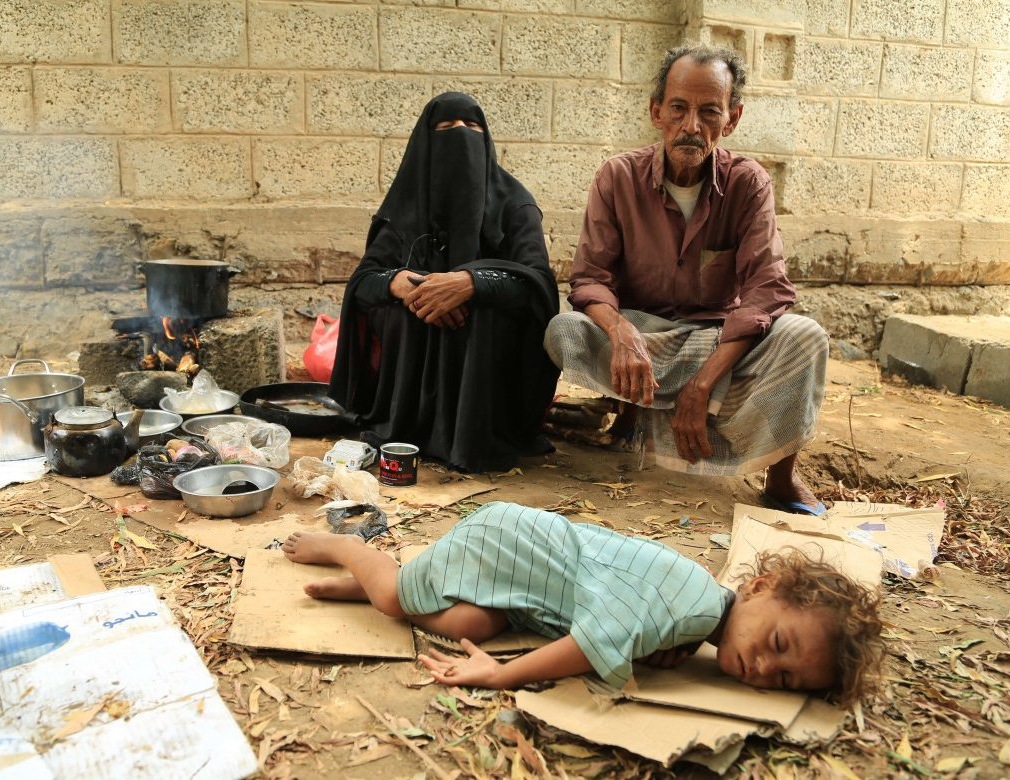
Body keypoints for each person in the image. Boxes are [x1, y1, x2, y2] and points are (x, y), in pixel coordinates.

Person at [543, 43, 830, 515]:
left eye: (709, 111)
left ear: (732, 119)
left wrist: (702, 383)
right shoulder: (617, 177)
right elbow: (591, 279)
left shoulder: (748, 183)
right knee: (566, 331)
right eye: (678, 108)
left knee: (805, 336)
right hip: (643, 338)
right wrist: (620, 332)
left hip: (715, 341)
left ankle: (780, 477)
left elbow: (767, 289)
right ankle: (637, 414)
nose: (691, 126)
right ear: (657, 111)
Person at [281, 501, 883, 705]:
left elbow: (626, 618)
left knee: (470, 621)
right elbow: (588, 645)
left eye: (782, 680)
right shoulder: (691, 611)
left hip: (526, 583)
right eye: (777, 644)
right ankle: (350, 552)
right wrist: (501, 677)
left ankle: (368, 588)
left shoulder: (698, 615)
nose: (763, 668)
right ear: (758, 587)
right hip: (509, 543)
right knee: (397, 597)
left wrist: (661, 648)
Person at [329, 92, 560, 473]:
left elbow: (538, 283)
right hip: (411, 370)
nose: (461, 136)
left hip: (489, 371)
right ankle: (409, 427)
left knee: (485, 312)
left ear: (485, 139)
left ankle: (475, 438)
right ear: (426, 140)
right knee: (402, 310)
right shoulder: (405, 208)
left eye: (472, 127)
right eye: (447, 128)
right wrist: (400, 283)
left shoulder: (514, 205)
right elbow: (363, 283)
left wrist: (472, 283)